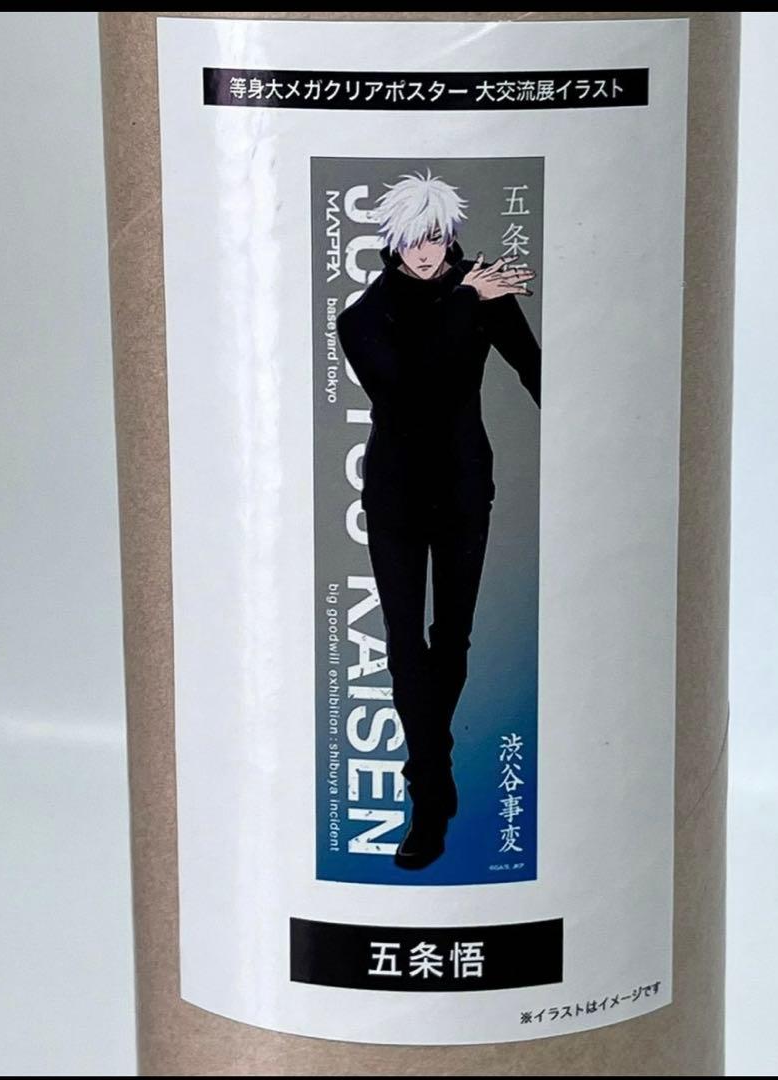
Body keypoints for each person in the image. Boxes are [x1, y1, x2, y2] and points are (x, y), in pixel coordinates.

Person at [336, 171, 541, 870]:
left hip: (461, 486)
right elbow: (407, 395)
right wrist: (461, 303)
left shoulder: (480, 291)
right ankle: (430, 791)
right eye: (413, 240)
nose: (426, 253)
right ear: (392, 242)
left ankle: (432, 770)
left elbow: (534, 369)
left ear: (450, 235)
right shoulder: (363, 317)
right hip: (395, 493)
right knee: (403, 644)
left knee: (451, 638)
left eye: (436, 238)